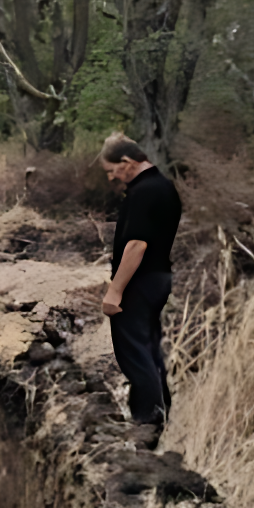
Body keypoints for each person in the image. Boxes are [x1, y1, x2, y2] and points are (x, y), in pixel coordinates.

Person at [99, 132, 181, 431]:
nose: (111, 179)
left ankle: (147, 423)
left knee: (133, 350)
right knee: (149, 348)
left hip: (141, 281)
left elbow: (137, 245)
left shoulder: (145, 191)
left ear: (127, 162)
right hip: (158, 278)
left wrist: (114, 290)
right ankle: (160, 413)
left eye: (112, 171)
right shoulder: (162, 186)